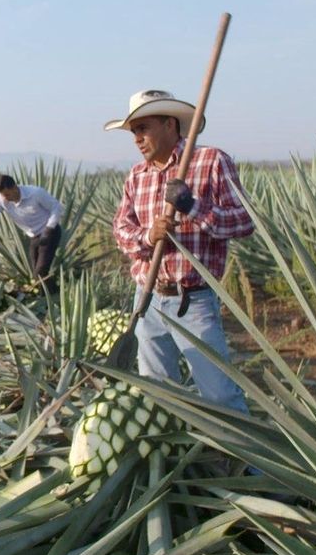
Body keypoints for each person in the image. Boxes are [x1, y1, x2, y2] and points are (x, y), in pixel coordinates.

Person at [107, 89, 254, 415]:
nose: (137, 139)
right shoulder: (136, 176)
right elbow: (120, 230)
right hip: (146, 299)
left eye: (143, 128)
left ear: (170, 124)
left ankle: (244, 465)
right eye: (133, 132)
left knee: (218, 396)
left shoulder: (210, 161)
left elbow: (244, 222)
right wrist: (148, 236)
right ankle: (177, 460)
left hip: (194, 301)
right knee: (160, 395)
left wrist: (192, 207)